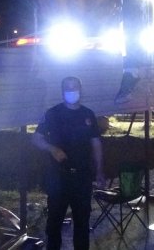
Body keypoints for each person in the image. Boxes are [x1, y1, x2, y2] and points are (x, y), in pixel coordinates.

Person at [32, 76, 105, 250]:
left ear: (80, 90)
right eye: (68, 88)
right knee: (54, 223)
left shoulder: (88, 114)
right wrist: (51, 149)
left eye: (75, 87)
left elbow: (96, 144)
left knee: (82, 223)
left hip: (82, 177)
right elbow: (36, 139)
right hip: (58, 177)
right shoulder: (52, 113)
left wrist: (100, 170)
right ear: (62, 91)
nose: (72, 91)